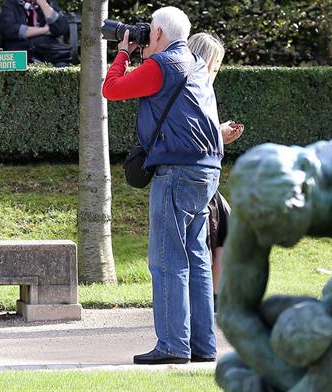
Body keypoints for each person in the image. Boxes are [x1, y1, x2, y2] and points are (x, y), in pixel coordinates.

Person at [102, 7, 223, 364]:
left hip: (177, 172)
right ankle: (203, 346)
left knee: (167, 259)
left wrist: (123, 52)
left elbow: (112, 89)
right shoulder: (196, 64)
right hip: (207, 170)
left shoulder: (161, 65)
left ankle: (173, 346)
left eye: (147, 33)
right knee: (197, 258)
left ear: (156, 34)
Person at [216, 140, 332, 390]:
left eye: (271, 223)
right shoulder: (256, 197)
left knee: (309, 326)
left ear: (304, 188)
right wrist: (291, 381)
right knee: (231, 369)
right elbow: (234, 313)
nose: (264, 240)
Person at [187, 32, 245, 309]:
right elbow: (191, 136)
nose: (215, 72)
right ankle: (210, 299)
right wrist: (218, 133)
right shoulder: (191, 88)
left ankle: (217, 297)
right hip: (194, 176)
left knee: (226, 228)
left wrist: (222, 135)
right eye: (214, 65)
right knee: (213, 235)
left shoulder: (202, 89)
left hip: (206, 175)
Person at [0, 0, 71, 67]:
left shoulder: (49, 4)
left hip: (48, 54)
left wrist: (43, 3)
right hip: (20, 54)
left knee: (62, 66)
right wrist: (45, 30)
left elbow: (62, 28)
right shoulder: (11, 4)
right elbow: (9, 29)